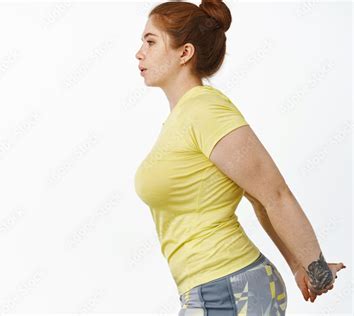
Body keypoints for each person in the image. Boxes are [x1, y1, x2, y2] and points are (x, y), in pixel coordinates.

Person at [133, 1, 346, 314]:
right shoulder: (183, 117)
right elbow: (257, 199)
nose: (139, 52)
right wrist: (296, 265)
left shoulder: (205, 110)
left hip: (229, 288)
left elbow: (274, 193)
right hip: (213, 289)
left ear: (185, 53)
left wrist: (315, 267)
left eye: (151, 42)